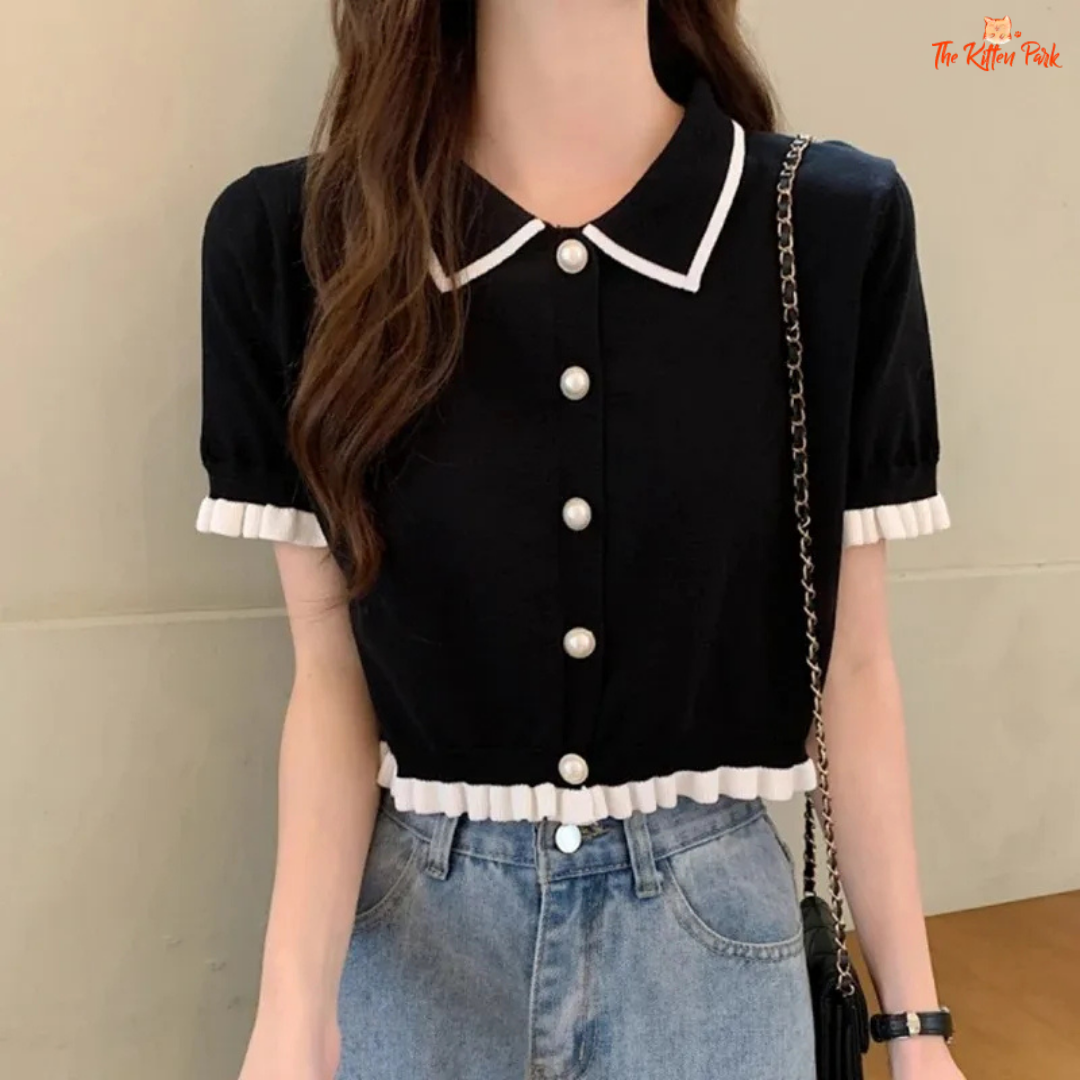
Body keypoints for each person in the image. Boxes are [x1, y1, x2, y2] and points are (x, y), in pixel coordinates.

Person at [195, 2, 966, 1078]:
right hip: (417, 950)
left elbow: (855, 664)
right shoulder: (296, 245)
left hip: (713, 959)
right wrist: (292, 1011)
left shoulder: (826, 229)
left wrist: (914, 1029)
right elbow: (331, 679)